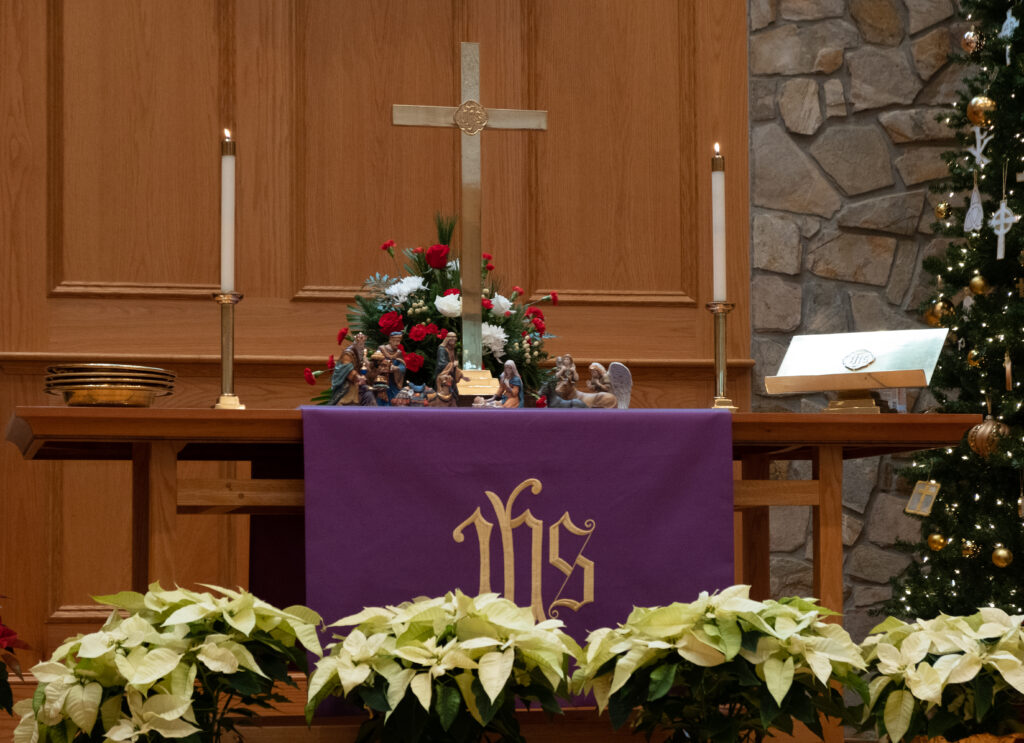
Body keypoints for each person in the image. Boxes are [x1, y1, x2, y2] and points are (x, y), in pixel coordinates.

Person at [329, 332, 374, 406]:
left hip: (359, 382)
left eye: (363, 342)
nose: (362, 344)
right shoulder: (348, 353)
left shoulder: (361, 351)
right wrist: (358, 377)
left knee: (369, 394)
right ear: (356, 341)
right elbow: (348, 370)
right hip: (348, 383)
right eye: (360, 341)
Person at [366, 331, 406, 405]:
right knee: (381, 398)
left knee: (395, 398)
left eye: (399, 341)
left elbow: (402, 366)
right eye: (396, 341)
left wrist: (396, 369)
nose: (398, 343)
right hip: (381, 380)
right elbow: (375, 362)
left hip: (393, 381)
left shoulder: (399, 353)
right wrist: (383, 366)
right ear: (390, 340)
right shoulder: (381, 349)